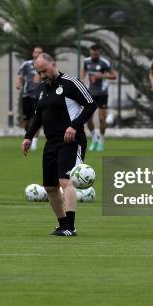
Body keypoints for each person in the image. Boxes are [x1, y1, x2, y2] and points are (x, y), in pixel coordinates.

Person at [22, 53, 97, 237]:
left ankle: (71, 227)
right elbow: (38, 116)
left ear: (53, 64)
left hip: (71, 140)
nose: (42, 75)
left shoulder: (71, 83)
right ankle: (62, 224)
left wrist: (74, 126)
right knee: (50, 187)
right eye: (39, 72)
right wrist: (28, 136)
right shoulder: (41, 89)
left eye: (45, 71)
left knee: (65, 181)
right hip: (51, 142)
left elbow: (90, 105)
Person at [81, 44, 116, 151]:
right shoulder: (87, 61)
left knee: (101, 119)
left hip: (102, 93)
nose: (94, 55)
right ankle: (94, 138)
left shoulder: (104, 63)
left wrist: (103, 76)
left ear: (99, 52)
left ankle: (101, 140)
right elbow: (84, 70)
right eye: (92, 53)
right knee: (87, 118)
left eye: (96, 53)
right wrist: (82, 80)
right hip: (90, 93)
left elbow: (114, 76)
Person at [16, 46, 43, 151]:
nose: (38, 54)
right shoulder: (26, 64)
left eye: (40, 53)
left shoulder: (45, 65)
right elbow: (20, 76)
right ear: (33, 53)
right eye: (36, 52)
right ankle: (28, 136)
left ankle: (34, 142)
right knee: (26, 120)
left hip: (40, 96)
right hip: (27, 95)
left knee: (37, 119)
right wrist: (18, 83)